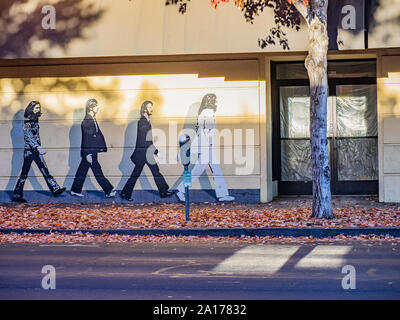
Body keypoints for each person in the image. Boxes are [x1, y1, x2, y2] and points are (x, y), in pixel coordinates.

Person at [176, 93, 234, 202]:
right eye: (214, 100)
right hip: (205, 145)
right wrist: (208, 143)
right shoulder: (208, 112)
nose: (216, 102)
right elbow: (207, 129)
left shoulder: (204, 112)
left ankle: (222, 195)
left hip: (206, 144)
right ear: (210, 101)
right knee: (198, 170)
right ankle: (181, 190)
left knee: (215, 169)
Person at [12, 101, 66, 203]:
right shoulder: (27, 121)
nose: (38, 110)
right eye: (36, 108)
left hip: (35, 151)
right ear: (31, 109)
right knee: (24, 173)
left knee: (45, 169)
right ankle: (17, 195)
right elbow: (28, 136)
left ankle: (55, 189)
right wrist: (38, 147)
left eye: (39, 108)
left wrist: (37, 147)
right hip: (30, 151)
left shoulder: (35, 119)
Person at [121, 101, 173, 201]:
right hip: (143, 153)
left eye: (151, 107)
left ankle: (163, 191)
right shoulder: (143, 122)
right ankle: (125, 193)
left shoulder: (146, 121)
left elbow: (147, 140)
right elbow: (145, 140)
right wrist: (157, 152)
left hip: (145, 152)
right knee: (141, 174)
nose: (151, 109)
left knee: (153, 172)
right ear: (144, 109)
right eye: (150, 107)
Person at [70, 99, 116, 198]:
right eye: (96, 106)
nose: (98, 107)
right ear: (90, 107)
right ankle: (108, 190)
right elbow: (87, 138)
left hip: (91, 151)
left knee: (82, 171)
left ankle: (75, 189)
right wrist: (88, 154)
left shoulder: (91, 119)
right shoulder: (88, 120)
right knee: (97, 171)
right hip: (89, 151)